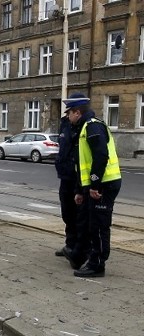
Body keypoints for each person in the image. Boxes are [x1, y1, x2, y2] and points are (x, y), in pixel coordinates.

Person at [64, 93, 122, 277]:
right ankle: (92, 259)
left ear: (78, 112)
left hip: (105, 184)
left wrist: (95, 186)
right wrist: (81, 190)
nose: (67, 117)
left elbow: (101, 156)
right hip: (97, 185)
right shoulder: (84, 128)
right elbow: (83, 165)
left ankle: (98, 264)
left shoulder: (93, 127)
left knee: (99, 226)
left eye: (69, 113)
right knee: (91, 224)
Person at [54, 115, 80, 258]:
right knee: (67, 213)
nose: (68, 113)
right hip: (65, 176)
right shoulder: (65, 124)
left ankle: (78, 248)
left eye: (70, 110)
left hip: (77, 177)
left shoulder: (84, 126)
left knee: (77, 214)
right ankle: (70, 245)